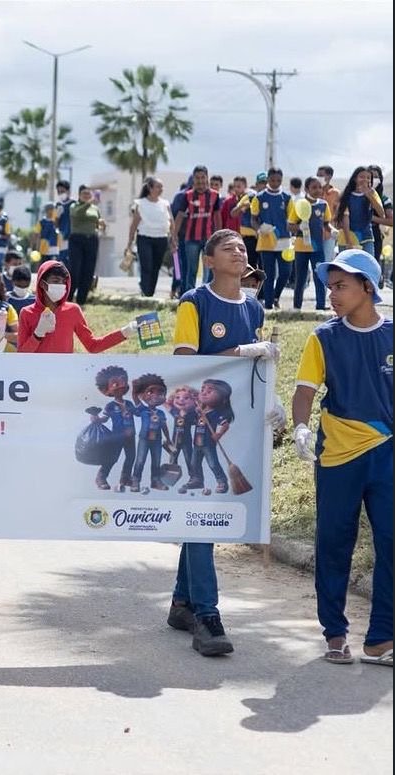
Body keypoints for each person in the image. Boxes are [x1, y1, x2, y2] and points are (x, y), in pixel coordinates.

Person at [170, 228, 281, 657]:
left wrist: (271, 405)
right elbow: (184, 361)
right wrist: (242, 351)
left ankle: (182, 602)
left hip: (235, 424)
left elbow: (258, 367)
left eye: (242, 247)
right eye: (228, 247)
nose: (239, 251)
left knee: (206, 512)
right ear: (209, 260)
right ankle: (207, 615)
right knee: (202, 512)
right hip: (195, 425)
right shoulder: (194, 303)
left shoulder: (253, 307)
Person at [291, 249, 391, 667]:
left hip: (388, 454)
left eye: (341, 286)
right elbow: (304, 391)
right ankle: (334, 632)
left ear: (367, 287)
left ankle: (382, 639)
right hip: (337, 456)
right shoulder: (323, 337)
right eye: (329, 286)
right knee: (334, 544)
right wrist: (300, 426)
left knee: (391, 543)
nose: (332, 294)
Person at [17, 261, 136, 354]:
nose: (61, 285)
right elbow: (21, 355)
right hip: (36, 377)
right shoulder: (27, 313)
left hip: (65, 376)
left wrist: (125, 332)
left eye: (64, 282)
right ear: (42, 284)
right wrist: (38, 334)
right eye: (56, 281)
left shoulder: (72, 311)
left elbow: (93, 346)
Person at [170, 166, 223, 294]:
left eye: (202, 177)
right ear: (193, 179)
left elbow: (217, 216)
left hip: (209, 239)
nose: (200, 181)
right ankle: (189, 296)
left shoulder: (215, 196)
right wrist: (174, 236)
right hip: (191, 239)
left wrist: (220, 235)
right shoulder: (187, 196)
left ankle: (206, 296)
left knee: (209, 269)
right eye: (197, 178)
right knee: (191, 269)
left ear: (207, 178)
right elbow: (180, 216)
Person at [250, 167, 293, 309]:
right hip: (266, 241)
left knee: (286, 272)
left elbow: (291, 218)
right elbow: (253, 218)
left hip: (283, 240)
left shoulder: (286, 197)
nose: (275, 183)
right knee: (268, 274)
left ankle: (275, 296)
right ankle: (268, 306)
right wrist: (259, 228)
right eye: (273, 180)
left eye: (278, 180)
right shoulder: (260, 197)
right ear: (268, 179)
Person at [288, 176, 331, 311]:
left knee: (319, 275)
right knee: (300, 277)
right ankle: (297, 306)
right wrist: (299, 227)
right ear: (306, 189)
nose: (317, 190)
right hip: (301, 247)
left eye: (319, 187)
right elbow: (290, 226)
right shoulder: (299, 204)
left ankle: (320, 305)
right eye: (314, 187)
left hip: (318, 247)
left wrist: (333, 232)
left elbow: (326, 224)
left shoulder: (323, 205)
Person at [128, 177, 174, 297]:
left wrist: (173, 238)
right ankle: (145, 291)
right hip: (145, 238)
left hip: (161, 239)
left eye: (161, 187)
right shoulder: (140, 203)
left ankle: (150, 293)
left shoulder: (165, 204)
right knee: (146, 266)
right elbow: (134, 224)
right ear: (150, 188)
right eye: (158, 186)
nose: (161, 189)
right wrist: (130, 242)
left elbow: (171, 222)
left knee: (155, 267)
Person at [335, 166, 386, 256]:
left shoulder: (372, 193)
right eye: (362, 177)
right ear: (355, 179)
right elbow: (345, 218)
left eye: (368, 178)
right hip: (347, 237)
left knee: (368, 266)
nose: (365, 180)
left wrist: (369, 196)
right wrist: (349, 242)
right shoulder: (347, 195)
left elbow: (381, 214)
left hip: (366, 237)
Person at [68, 185, 106, 305]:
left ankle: (81, 301)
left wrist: (101, 223)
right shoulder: (74, 206)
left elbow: (97, 220)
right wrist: (88, 203)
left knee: (88, 271)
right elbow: (77, 214)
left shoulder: (95, 208)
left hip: (91, 239)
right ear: (79, 195)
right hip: (77, 239)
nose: (87, 196)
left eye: (88, 194)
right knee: (75, 270)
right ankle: (68, 299)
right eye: (84, 194)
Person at [317, 165, 341, 268]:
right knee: (315, 262)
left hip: (329, 234)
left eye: (321, 175)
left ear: (330, 176)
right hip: (314, 233)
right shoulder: (314, 191)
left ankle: (325, 284)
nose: (319, 178)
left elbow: (339, 213)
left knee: (326, 261)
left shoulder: (336, 193)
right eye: (317, 175)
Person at [54, 180, 72, 266]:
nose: (60, 193)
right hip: (62, 237)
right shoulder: (58, 205)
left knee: (72, 259)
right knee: (62, 260)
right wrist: (57, 216)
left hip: (72, 236)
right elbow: (56, 225)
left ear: (68, 191)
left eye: (62, 191)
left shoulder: (73, 204)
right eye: (59, 192)